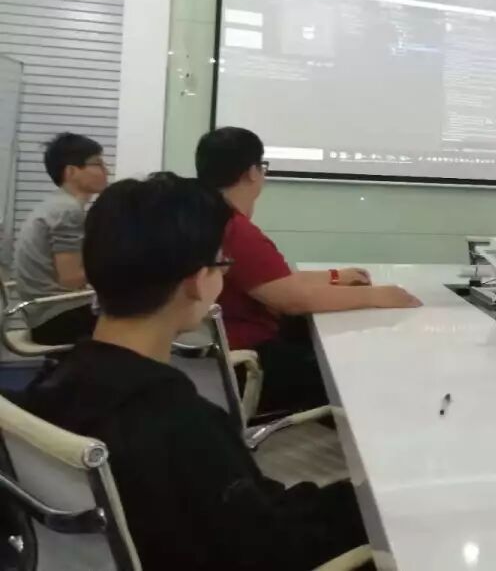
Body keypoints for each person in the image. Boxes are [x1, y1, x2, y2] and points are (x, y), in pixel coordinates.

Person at [19, 173, 367, 570]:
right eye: (221, 264)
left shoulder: (51, 384)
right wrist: (367, 502)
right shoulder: (185, 425)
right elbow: (274, 550)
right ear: (197, 283)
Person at [196, 127, 420, 413]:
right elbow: (292, 299)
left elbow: (273, 281)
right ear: (252, 172)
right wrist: (376, 296)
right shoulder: (236, 230)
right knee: (355, 371)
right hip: (249, 363)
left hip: (224, 355)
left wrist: (335, 276)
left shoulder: (208, 216)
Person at [13, 132, 107, 344]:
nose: (106, 171)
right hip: (59, 318)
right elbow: (71, 279)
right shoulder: (67, 211)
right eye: (98, 164)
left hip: (46, 315)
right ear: (71, 171)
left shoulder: (54, 205)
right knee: (140, 324)